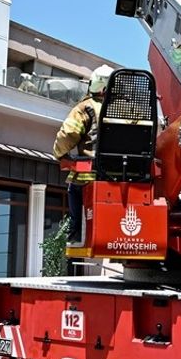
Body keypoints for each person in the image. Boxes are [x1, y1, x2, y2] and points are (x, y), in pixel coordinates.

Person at [52, 65, 113, 244]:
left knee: (74, 189)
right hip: (119, 178)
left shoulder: (85, 108)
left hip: (90, 176)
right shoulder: (127, 109)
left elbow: (68, 134)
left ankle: (76, 237)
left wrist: (59, 154)